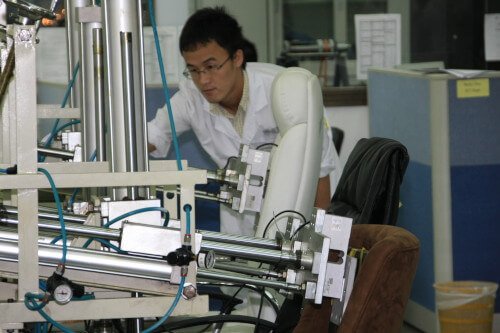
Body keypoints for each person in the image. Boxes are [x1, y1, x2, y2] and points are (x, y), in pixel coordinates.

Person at [147, 6, 338, 237]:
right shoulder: (191, 97)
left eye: (211, 66)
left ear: (237, 57)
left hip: (296, 209)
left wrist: (316, 237)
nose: (204, 80)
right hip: (238, 215)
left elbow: (319, 171)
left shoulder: (285, 92)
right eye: (194, 70)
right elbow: (154, 135)